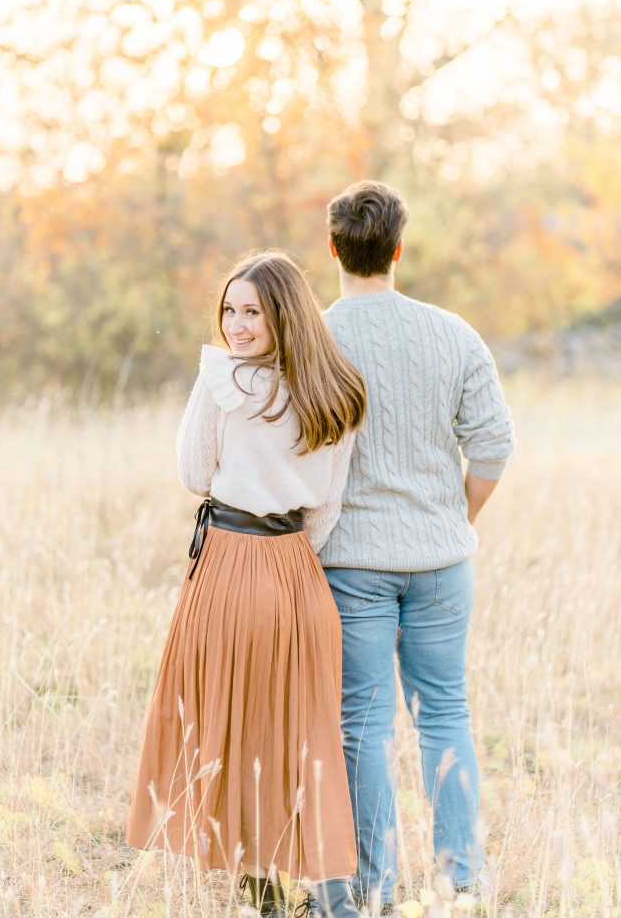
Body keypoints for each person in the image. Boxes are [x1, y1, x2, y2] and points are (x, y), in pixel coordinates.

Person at [126, 251, 367, 918]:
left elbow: (192, 471)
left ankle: (257, 880)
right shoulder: (335, 388)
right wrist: (288, 557)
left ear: (281, 315)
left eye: (251, 312)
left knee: (230, 721)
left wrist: (213, 389)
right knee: (297, 729)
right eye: (229, 310)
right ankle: (311, 880)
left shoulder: (224, 381)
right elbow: (327, 507)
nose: (235, 325)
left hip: (232, 560)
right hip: (298, 570)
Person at [319, 181, 515, 911]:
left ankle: (372, 886)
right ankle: (461, 876)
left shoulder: (312, 337)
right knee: (445, 713)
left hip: (351, 563)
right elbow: (493, 446)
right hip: (441, 560)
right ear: (399, 249)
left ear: (333, 248)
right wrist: (456, 517)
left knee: (362, 725)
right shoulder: (452, 334)